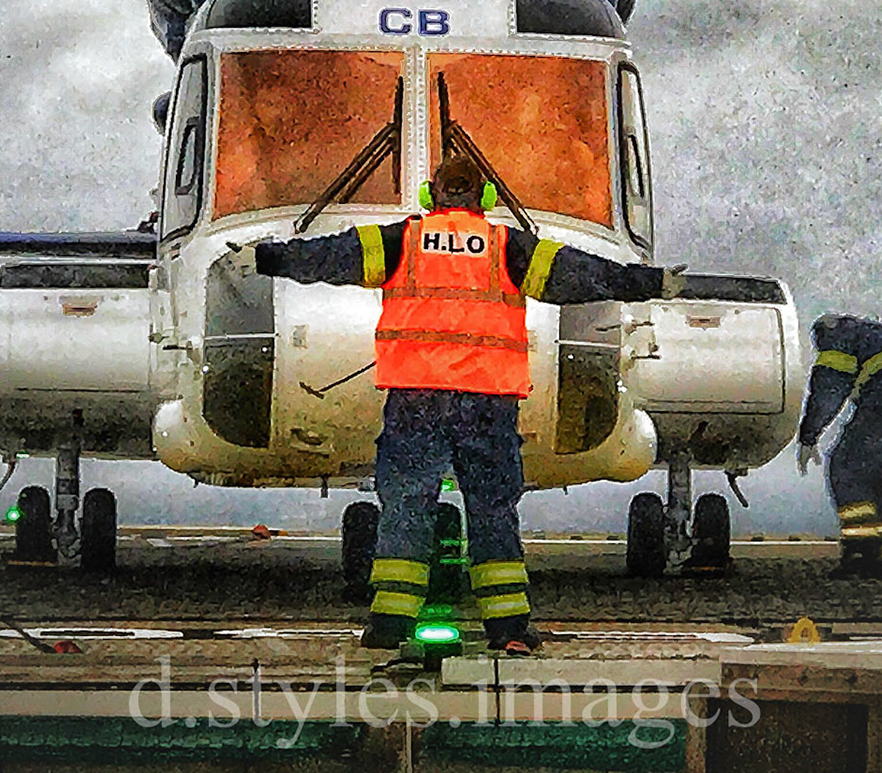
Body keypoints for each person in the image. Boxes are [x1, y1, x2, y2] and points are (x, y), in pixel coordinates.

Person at [242, 155, 683, 653]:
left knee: (407, 505)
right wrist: (649, 283)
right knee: (493, 510)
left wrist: (268, 258)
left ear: (431, 196)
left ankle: (389, 624)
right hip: (488, 404)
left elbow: (328, 257)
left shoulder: (400, 242)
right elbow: (582, 276)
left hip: (416, 403)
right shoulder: (506, 247)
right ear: (487, 198)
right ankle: (509, 628)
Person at [794, 313, 882, 580]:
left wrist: (808, 435)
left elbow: (828, 388)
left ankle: (860, 550)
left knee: (847, 468)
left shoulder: (838, 338)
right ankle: (880, 555)